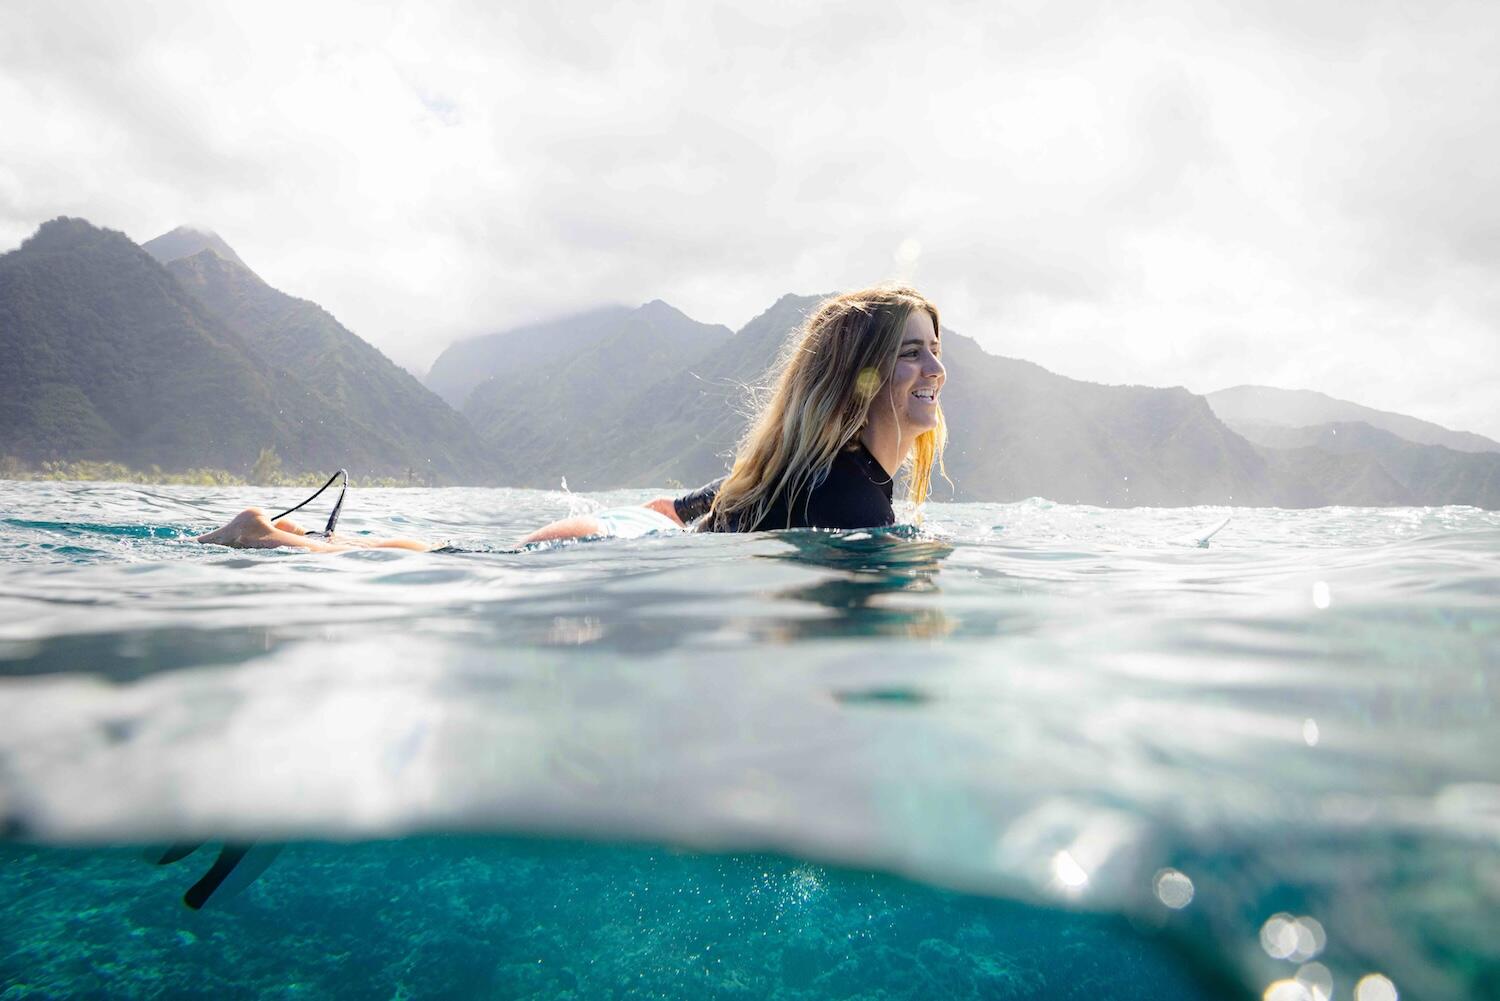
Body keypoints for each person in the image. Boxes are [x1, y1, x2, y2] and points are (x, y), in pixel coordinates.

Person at [196, 284, 947, 551]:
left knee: (456, 559)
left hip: (623, 531)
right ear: (860, 375)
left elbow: (674, 509)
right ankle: (267, 537)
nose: (935, 370)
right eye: (910, 354)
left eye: (935, 351)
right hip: (612, 547)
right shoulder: (849, 496)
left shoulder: (813, 472)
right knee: (454, 564)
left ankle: (288, 538)